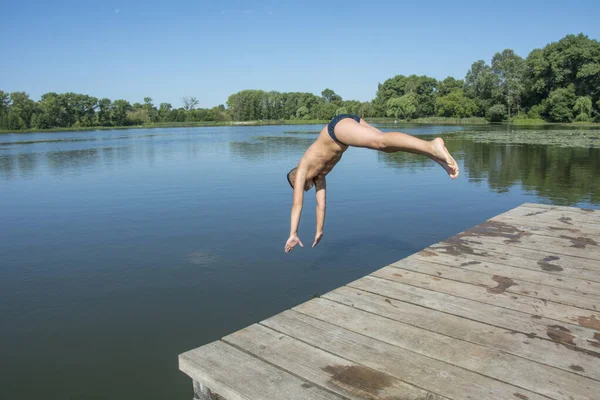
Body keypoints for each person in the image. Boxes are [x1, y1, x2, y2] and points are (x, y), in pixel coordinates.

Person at [284, 114, 459, 253]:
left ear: (294, 179)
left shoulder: (301, 170)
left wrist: (293, 233)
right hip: (343, 130)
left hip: (336, 130)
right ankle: (437, 156)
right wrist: (319, 231)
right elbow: (320, 205)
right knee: (387, 146)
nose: (306, 189)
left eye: (302, 188)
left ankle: (432, 146)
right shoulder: (319, 176)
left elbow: (297, 205)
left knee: (380, 141)